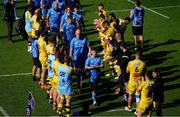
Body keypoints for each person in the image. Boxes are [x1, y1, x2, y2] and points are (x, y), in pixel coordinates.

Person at [70, 29, 91, 93]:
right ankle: (79, 87)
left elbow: (89, 47)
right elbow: (71, 50)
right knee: (77, 74)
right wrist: (71, 57)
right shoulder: (73, 40)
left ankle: (82, 80)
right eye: (77, 34)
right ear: (75, 34)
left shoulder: (84, 39)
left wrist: (89, 52)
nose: (78, 35)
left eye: (79, 34)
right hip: (76, 59)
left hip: (84, 59)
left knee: (84, 72)